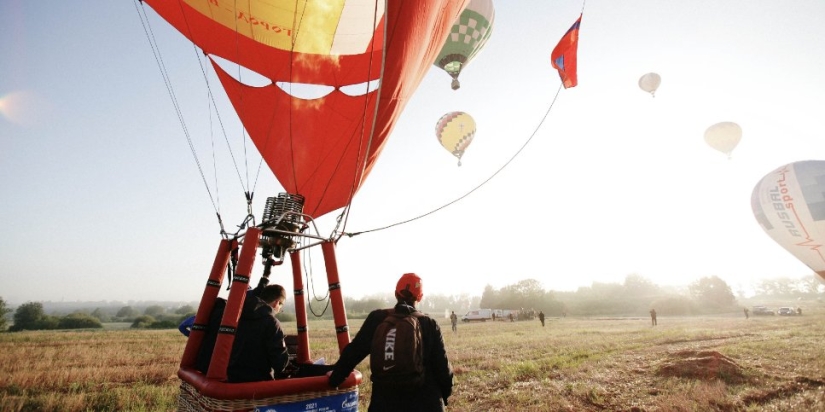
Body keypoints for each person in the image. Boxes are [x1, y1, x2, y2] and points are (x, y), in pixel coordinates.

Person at [329, 273, 453, 411]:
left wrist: (334, 380)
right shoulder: (429, 324)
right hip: (425, 404)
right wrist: (445, 395)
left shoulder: (377, 318)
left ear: (396, 294)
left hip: (383, 403)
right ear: (420, 297)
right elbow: (443, 369)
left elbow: (352, 353)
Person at [227, 283, 291, 383]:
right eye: (280, 307)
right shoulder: (272, 323)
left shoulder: (238, 317)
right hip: (259, 384)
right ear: (276, 303)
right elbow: (280, 364)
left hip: (232, 379)